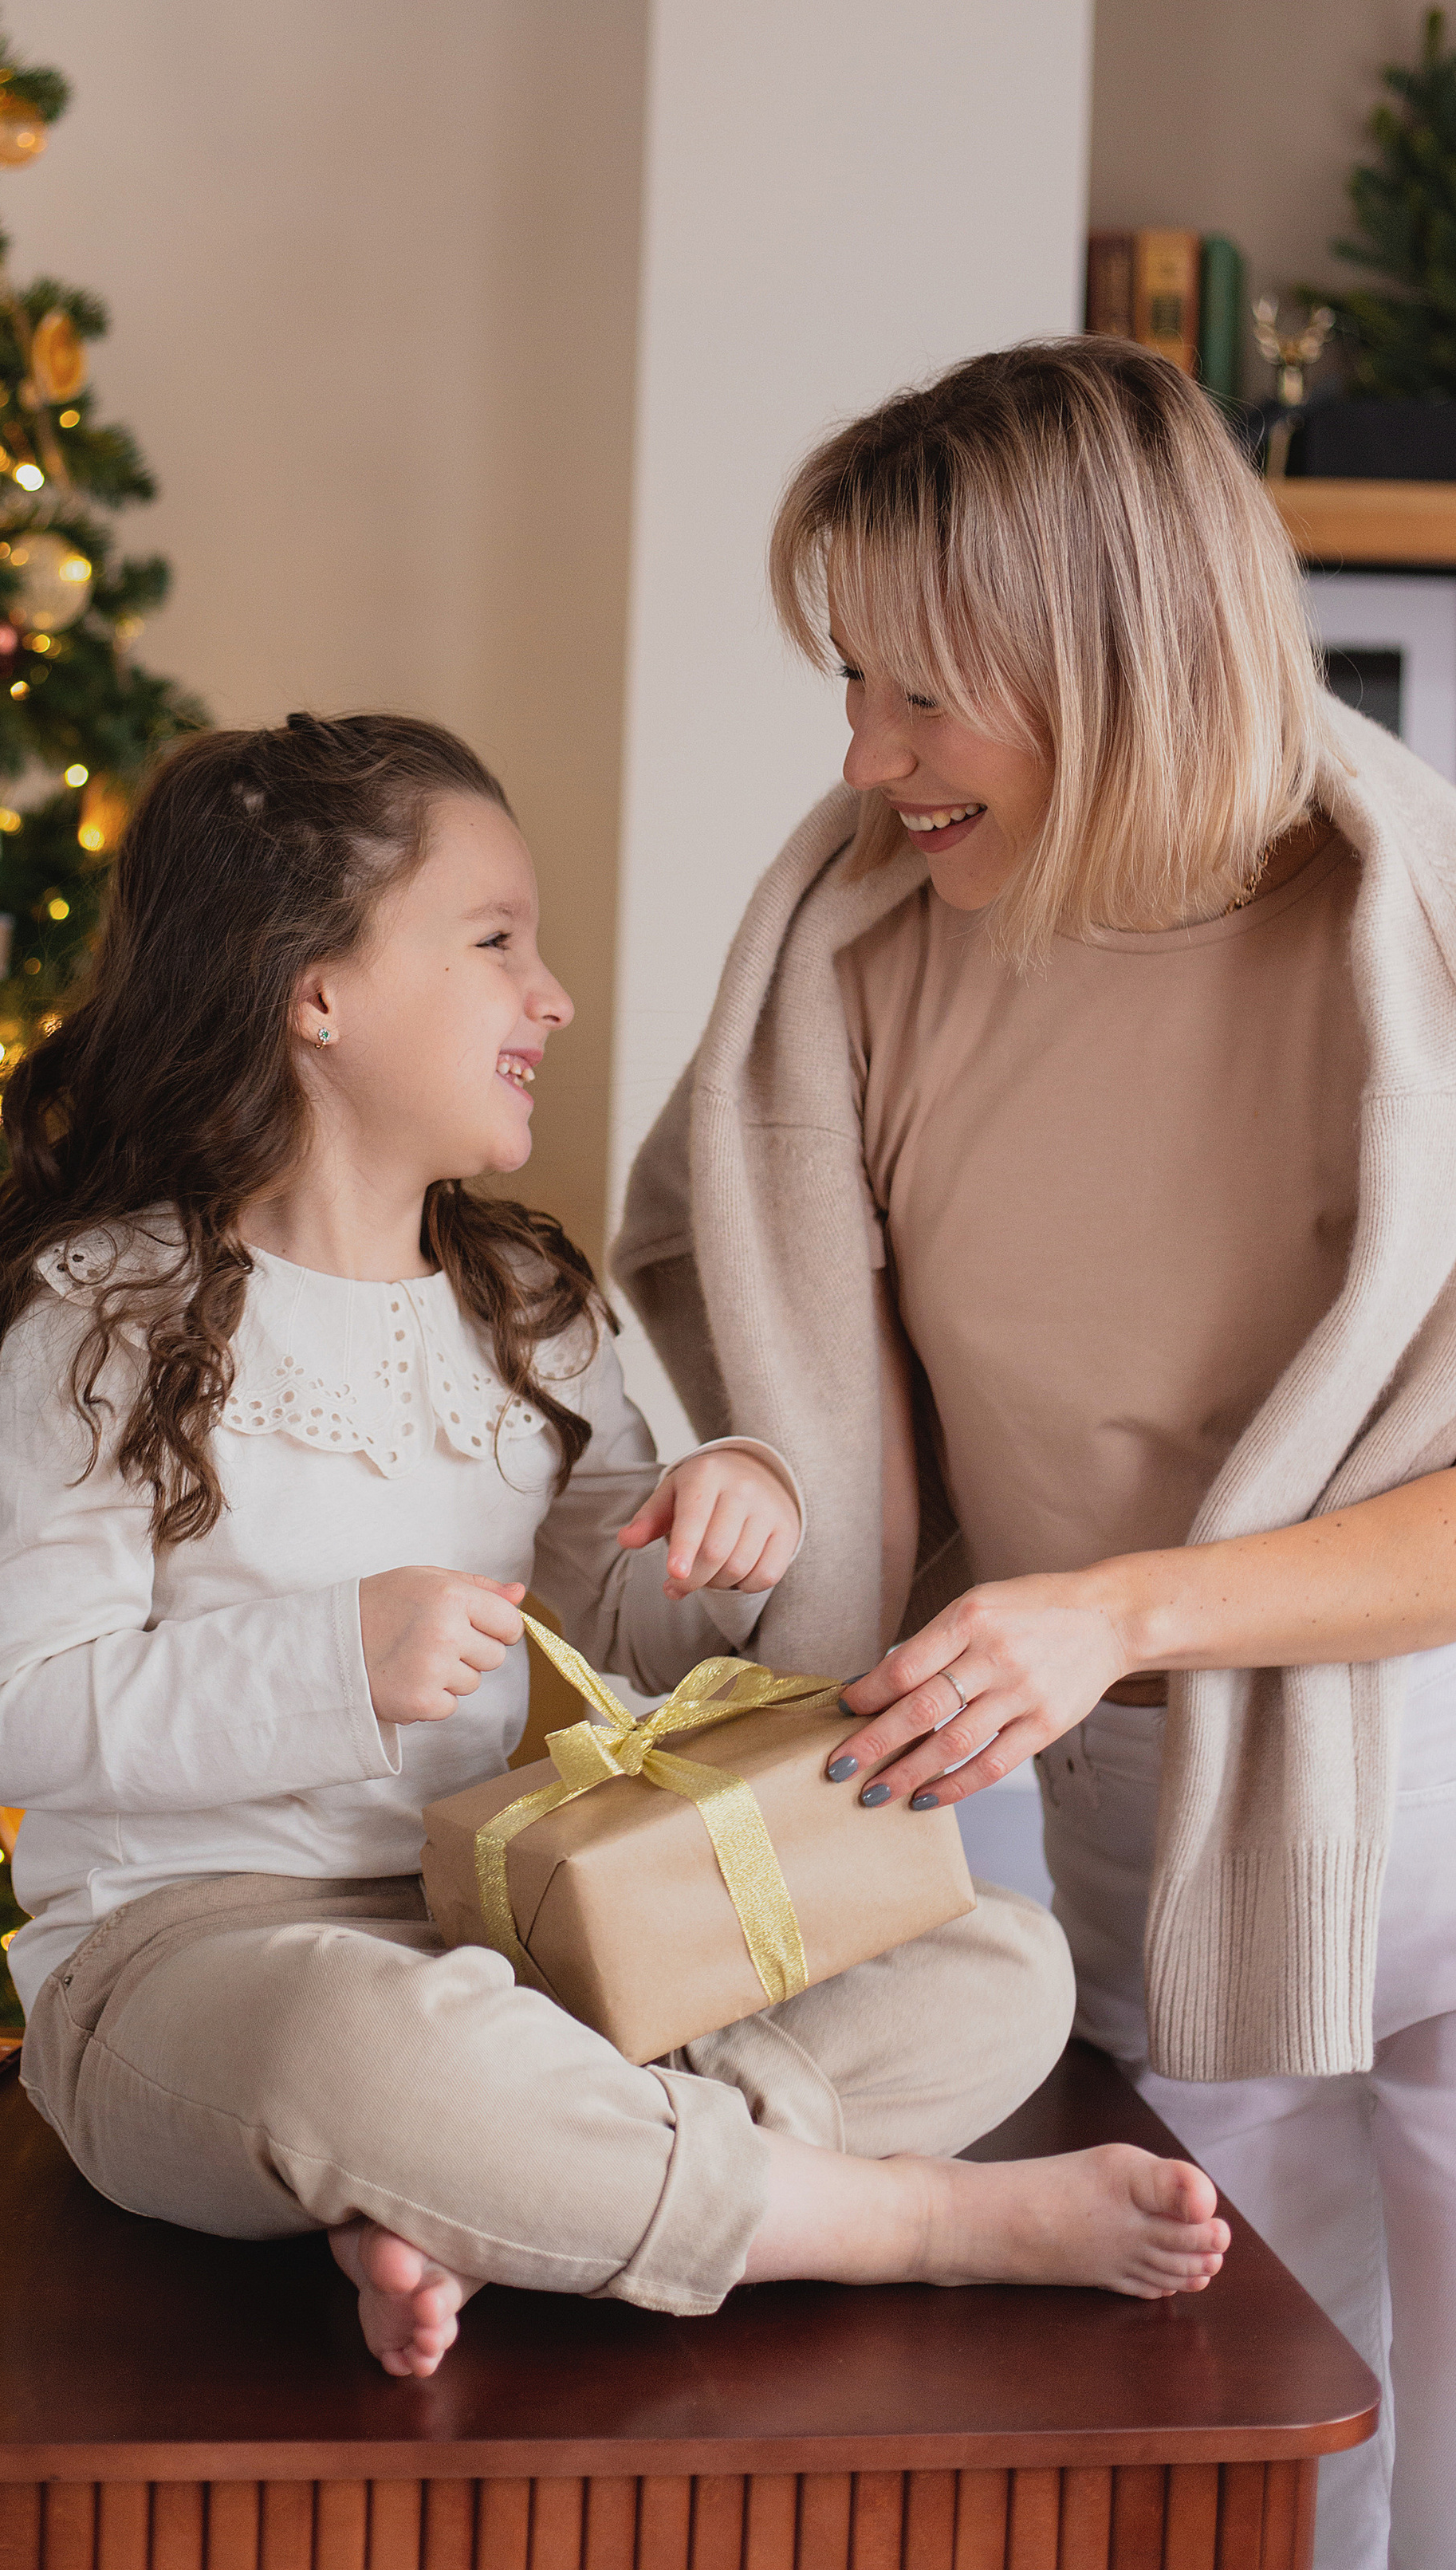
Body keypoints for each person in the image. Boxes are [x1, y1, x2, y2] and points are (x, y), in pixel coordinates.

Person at [0, 709, 1228, 2383]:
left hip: (532, 1927)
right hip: (192, 1962)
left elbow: (628, 1646)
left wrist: (716, 1536)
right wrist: (332, 1661)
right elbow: (3, 1713)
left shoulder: (526, 1303)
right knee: (364, 2048)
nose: (553, 996)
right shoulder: (110, 1317)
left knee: (993, 1960)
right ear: (313, 993)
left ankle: (502, 2195)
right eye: (495, 941)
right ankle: (895, 2219)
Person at [616, 340, 1456, 2566]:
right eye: (855, 692)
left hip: (1421, 1767)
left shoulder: (1420, 942)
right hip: (1100, 1824)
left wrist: (1121, 1613)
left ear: (1113, 653)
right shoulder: (855, 954)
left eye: (926, 699)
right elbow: (759, 1335)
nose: (873, 763)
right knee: (1219, 2452)